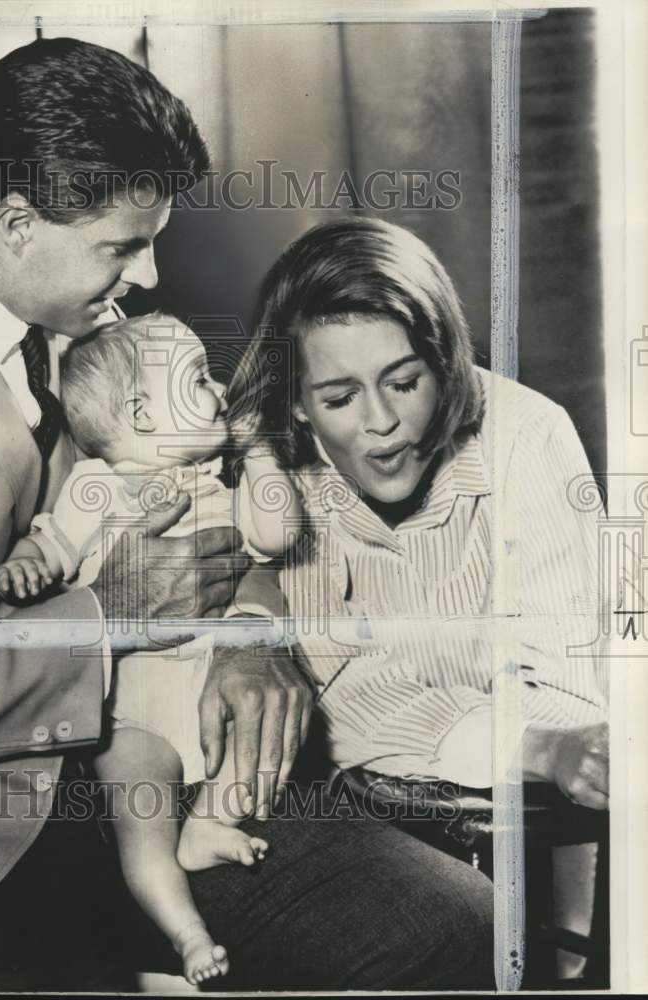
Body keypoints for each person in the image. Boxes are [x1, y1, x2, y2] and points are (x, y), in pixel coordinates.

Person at [0, 39, 494, 991]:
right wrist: (111, 616)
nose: (146, 277)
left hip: (160, 760)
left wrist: (250, 639)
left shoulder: (111, 335)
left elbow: (224, 502)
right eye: (121, 246)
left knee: (453, 924)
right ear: (19, 221)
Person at [229, 216, 608, 976]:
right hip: (368, 823)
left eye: (404, 381)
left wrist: (553, 739)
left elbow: (569, 685)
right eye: (338, 396)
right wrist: (533, 744)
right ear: (297, 404)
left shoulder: (527, 436)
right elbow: (346, 701)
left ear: (445, 360)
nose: (381, 422)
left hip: (536, 841)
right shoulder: (280, 476)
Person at [0, 313, 301, 984]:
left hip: (207, 685)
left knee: (252, 746)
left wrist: (257, 454)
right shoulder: (98, 484)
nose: (218, 388)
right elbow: (51, 544)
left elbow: (276, 537)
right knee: (141, 817)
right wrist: (29, 562)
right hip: (127, 709)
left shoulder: (219, 484)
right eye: (196, 377)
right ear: (139, 411)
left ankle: (212, 823)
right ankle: (184, 933)